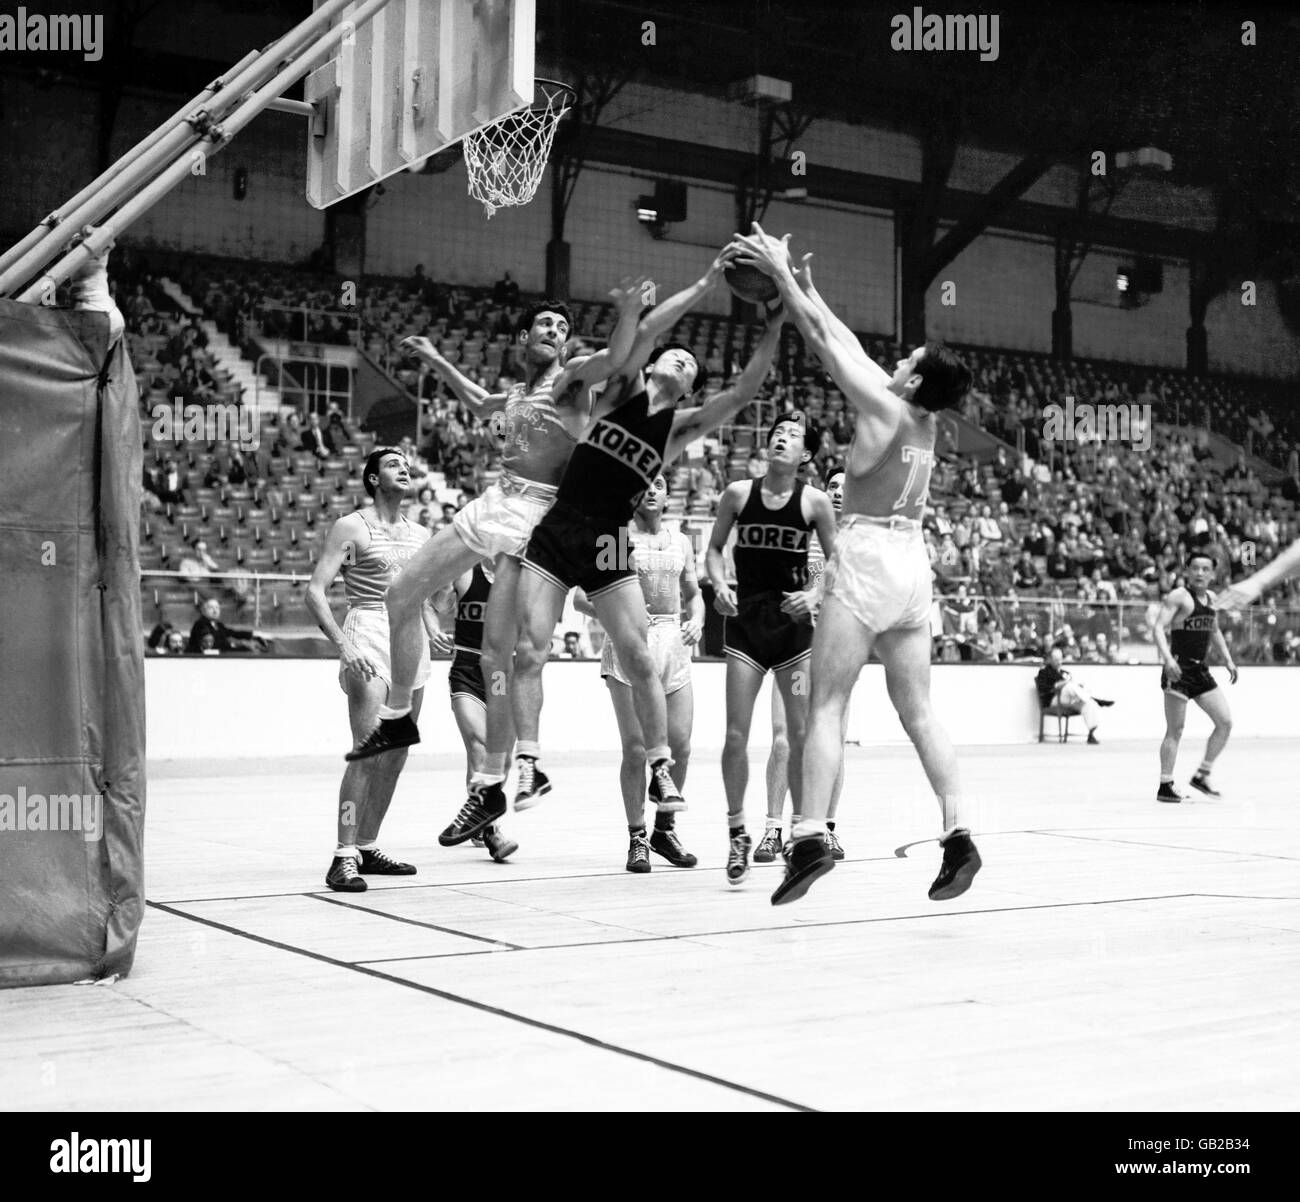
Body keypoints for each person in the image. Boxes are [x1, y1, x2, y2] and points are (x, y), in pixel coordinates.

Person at [344, 281, 648, 864]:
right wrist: (436, 361)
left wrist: (628, 313)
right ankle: (398, 717)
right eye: (544, 327)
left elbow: (616, 358)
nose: (554, 334)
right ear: (523, 337)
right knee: (401, 593)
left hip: (537, 515)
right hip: (495, 502)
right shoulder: (515, 394)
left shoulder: (573, 379)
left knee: (502, 658)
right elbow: (481, 402)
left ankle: (494, 781)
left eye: (561, 328)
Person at [730, 223, 981, 906]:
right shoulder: (923, 422)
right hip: (912, 565)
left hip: (867, 555)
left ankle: (808, 836)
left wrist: (782, 272)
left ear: (916, 377)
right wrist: (809, 290)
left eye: (910, 356)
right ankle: (959, 833)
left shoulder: (881, 405)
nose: (897, 357)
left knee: (827, 706)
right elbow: (844, 345)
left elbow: (824, 347)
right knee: (919, 709)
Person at [507, 249, 783, 835]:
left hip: (609, 536)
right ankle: (528, 761)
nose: (678, 360)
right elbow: (637, 336)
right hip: (561, 525)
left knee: (637, 654)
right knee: (529, 649)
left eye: (687, 363)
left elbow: (741, 393)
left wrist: (775, 324)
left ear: (687, 386)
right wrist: (705, 281)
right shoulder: (621, 389)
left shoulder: (679, 429)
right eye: (673, 354)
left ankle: (660, 766)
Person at [305, 447, 445, 892]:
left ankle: (366, 846)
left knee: (397, 752)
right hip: (366, 629)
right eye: (392, 463)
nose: (404, 467)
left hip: (410, 641)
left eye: (407, 462)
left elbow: (421, 594)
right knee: (367, 749)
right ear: (372, 479)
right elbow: (315, 591)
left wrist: (433, 621)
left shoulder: (421, 533)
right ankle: (342, 856)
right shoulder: (352, 526)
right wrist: (344, 647)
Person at [706, 412, 837, 886]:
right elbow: (714, 549)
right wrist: (719, 583)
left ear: (805, 456)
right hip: (746, 626)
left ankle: (803, 838)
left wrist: (815, 595)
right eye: (776, 432)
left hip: (793, 629)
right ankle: (737, 830)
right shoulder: (738, 494)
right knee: (736, 736)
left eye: (792, 436)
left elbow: (836, 559)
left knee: (800, 737)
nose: (780, 437)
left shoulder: (816, 502)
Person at [574, 474, 703, 873]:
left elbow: (694, 594)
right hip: (629, 643)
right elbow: (583, 597)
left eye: (660, 483)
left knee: (679, 746)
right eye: (644, 483)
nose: (651, 489)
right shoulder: (618, 537)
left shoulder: (681, 540)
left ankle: (665, 830)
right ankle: (637, 837)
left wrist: (697, 618)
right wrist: (622, 614)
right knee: (635, 749)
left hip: (674, 644)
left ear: (667, 495)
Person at [432, 561, 518, 863]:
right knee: (480, 744)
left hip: (505, 673)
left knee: (503, 758)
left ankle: (480, 815)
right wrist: (434, 628)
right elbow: (433, 604)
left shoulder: (522, 576)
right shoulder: (466, 570)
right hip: (467, 668)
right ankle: (493, 831)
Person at [1149, 551, 1238, 802]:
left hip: (1200, 670)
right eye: (1195, 568)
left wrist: (1228, 659)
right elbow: (1157, 627)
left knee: (1225, 722)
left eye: (1205, 568)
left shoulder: (1211, 598)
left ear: (1212, 573)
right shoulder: (1179, 596)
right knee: (1175, 729)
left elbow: (1215, 630)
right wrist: (1167, 659)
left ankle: (1202, 775)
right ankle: (1165, 784)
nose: (1200, 573)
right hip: (1177, 669)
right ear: (1187, 571)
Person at [1034, 646, 1114, 743]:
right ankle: (1096, 700)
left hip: (1069, 700)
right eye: (1056, 659)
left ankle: (1091, 734)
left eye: (1060, 659)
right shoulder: (1044, 672)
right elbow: (1048, 689)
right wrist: (1064, 683)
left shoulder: (1065, 673)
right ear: (1050, 659)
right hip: (1054, 700)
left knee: (1087, 704)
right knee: (1069, 686)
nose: (1059, 662)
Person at [187, 597, 262, 653]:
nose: (215, 610)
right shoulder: (201, 624)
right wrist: (239, 644)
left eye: (217, 608)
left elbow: (231, 633)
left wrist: (252, 634)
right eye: (211, 608)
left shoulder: (218, 624)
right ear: (203, 611)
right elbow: (214, 643)